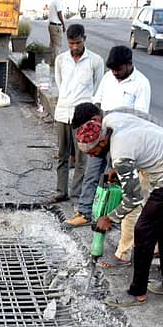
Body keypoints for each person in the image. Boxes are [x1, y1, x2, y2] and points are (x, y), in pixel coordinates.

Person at [75, 109, 163, 307]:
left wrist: (110, 218)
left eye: (93, 152)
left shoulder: (120, 152)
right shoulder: (110, 122)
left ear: (103, 142)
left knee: (142, 231)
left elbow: (133, 198)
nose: (93, 157)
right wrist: (118, 170)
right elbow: (135, 145)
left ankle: (137, 292)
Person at [69, 46, 151, 259]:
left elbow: (133, 196)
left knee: (122, 191)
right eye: (112, 69)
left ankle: (122, 248)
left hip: (128, 145)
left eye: (118, 68)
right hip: (108, 137)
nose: (114, 72)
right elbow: (97, 102)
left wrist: (112, 217)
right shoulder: (107, 80)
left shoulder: (141, 84)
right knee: (95, 176)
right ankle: (90, 213)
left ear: (129, 64)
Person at [50, 23, 104, 204]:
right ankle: (60, 192)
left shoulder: (95, 61)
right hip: (63, 113)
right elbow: (60, 84)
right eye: (71, 43)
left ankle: (76, 194)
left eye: (78, 43)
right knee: (62, 156)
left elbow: (97, 89)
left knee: (82, 158)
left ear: (84, 40)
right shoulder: (61, 60)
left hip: (83, 117)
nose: (74, 47)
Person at [47, 0, 67, 65]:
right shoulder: (58, 2)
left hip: (51, 25)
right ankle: (56, 65)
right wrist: (63, 24)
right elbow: (59, 13)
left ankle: (51, 62)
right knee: (57, 46)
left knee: (52, 45)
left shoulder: (53, 2)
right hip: (56, 26)